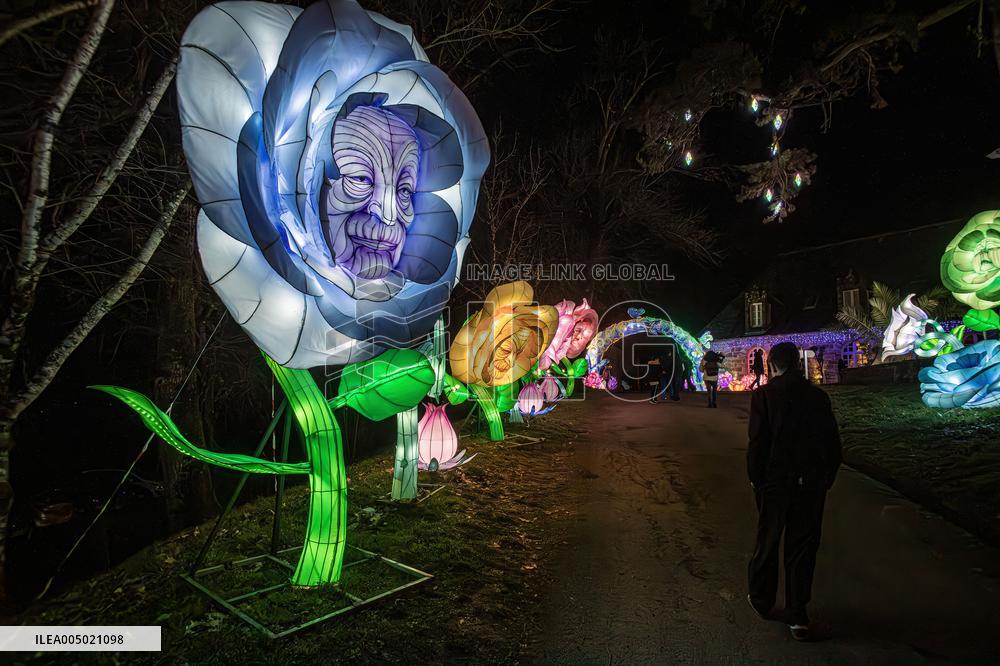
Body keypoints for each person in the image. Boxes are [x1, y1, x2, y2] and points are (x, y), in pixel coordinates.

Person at [746, 341, 841, 642]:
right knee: (802, 546)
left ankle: (762, 600)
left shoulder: (764, 395)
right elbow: (831, 442)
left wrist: (755, 478)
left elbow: (757, 442)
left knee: (769, 539)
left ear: (773, 364)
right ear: (797, 364)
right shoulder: (818, 396)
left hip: (775, 481)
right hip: (810, 483)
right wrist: (826, 477)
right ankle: (797, 614)